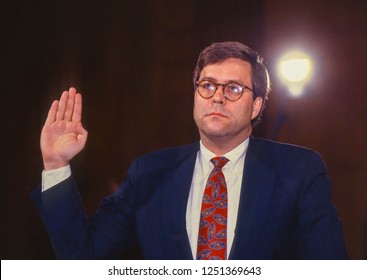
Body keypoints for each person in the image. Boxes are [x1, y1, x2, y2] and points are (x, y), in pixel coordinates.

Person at [32, 41, 348, 260]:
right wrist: (55, 164)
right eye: (207, 85)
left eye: (233, 88)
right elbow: (83, 258)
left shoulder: (299, 170)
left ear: (256, 106)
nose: (217, 97)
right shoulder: (149, 173)